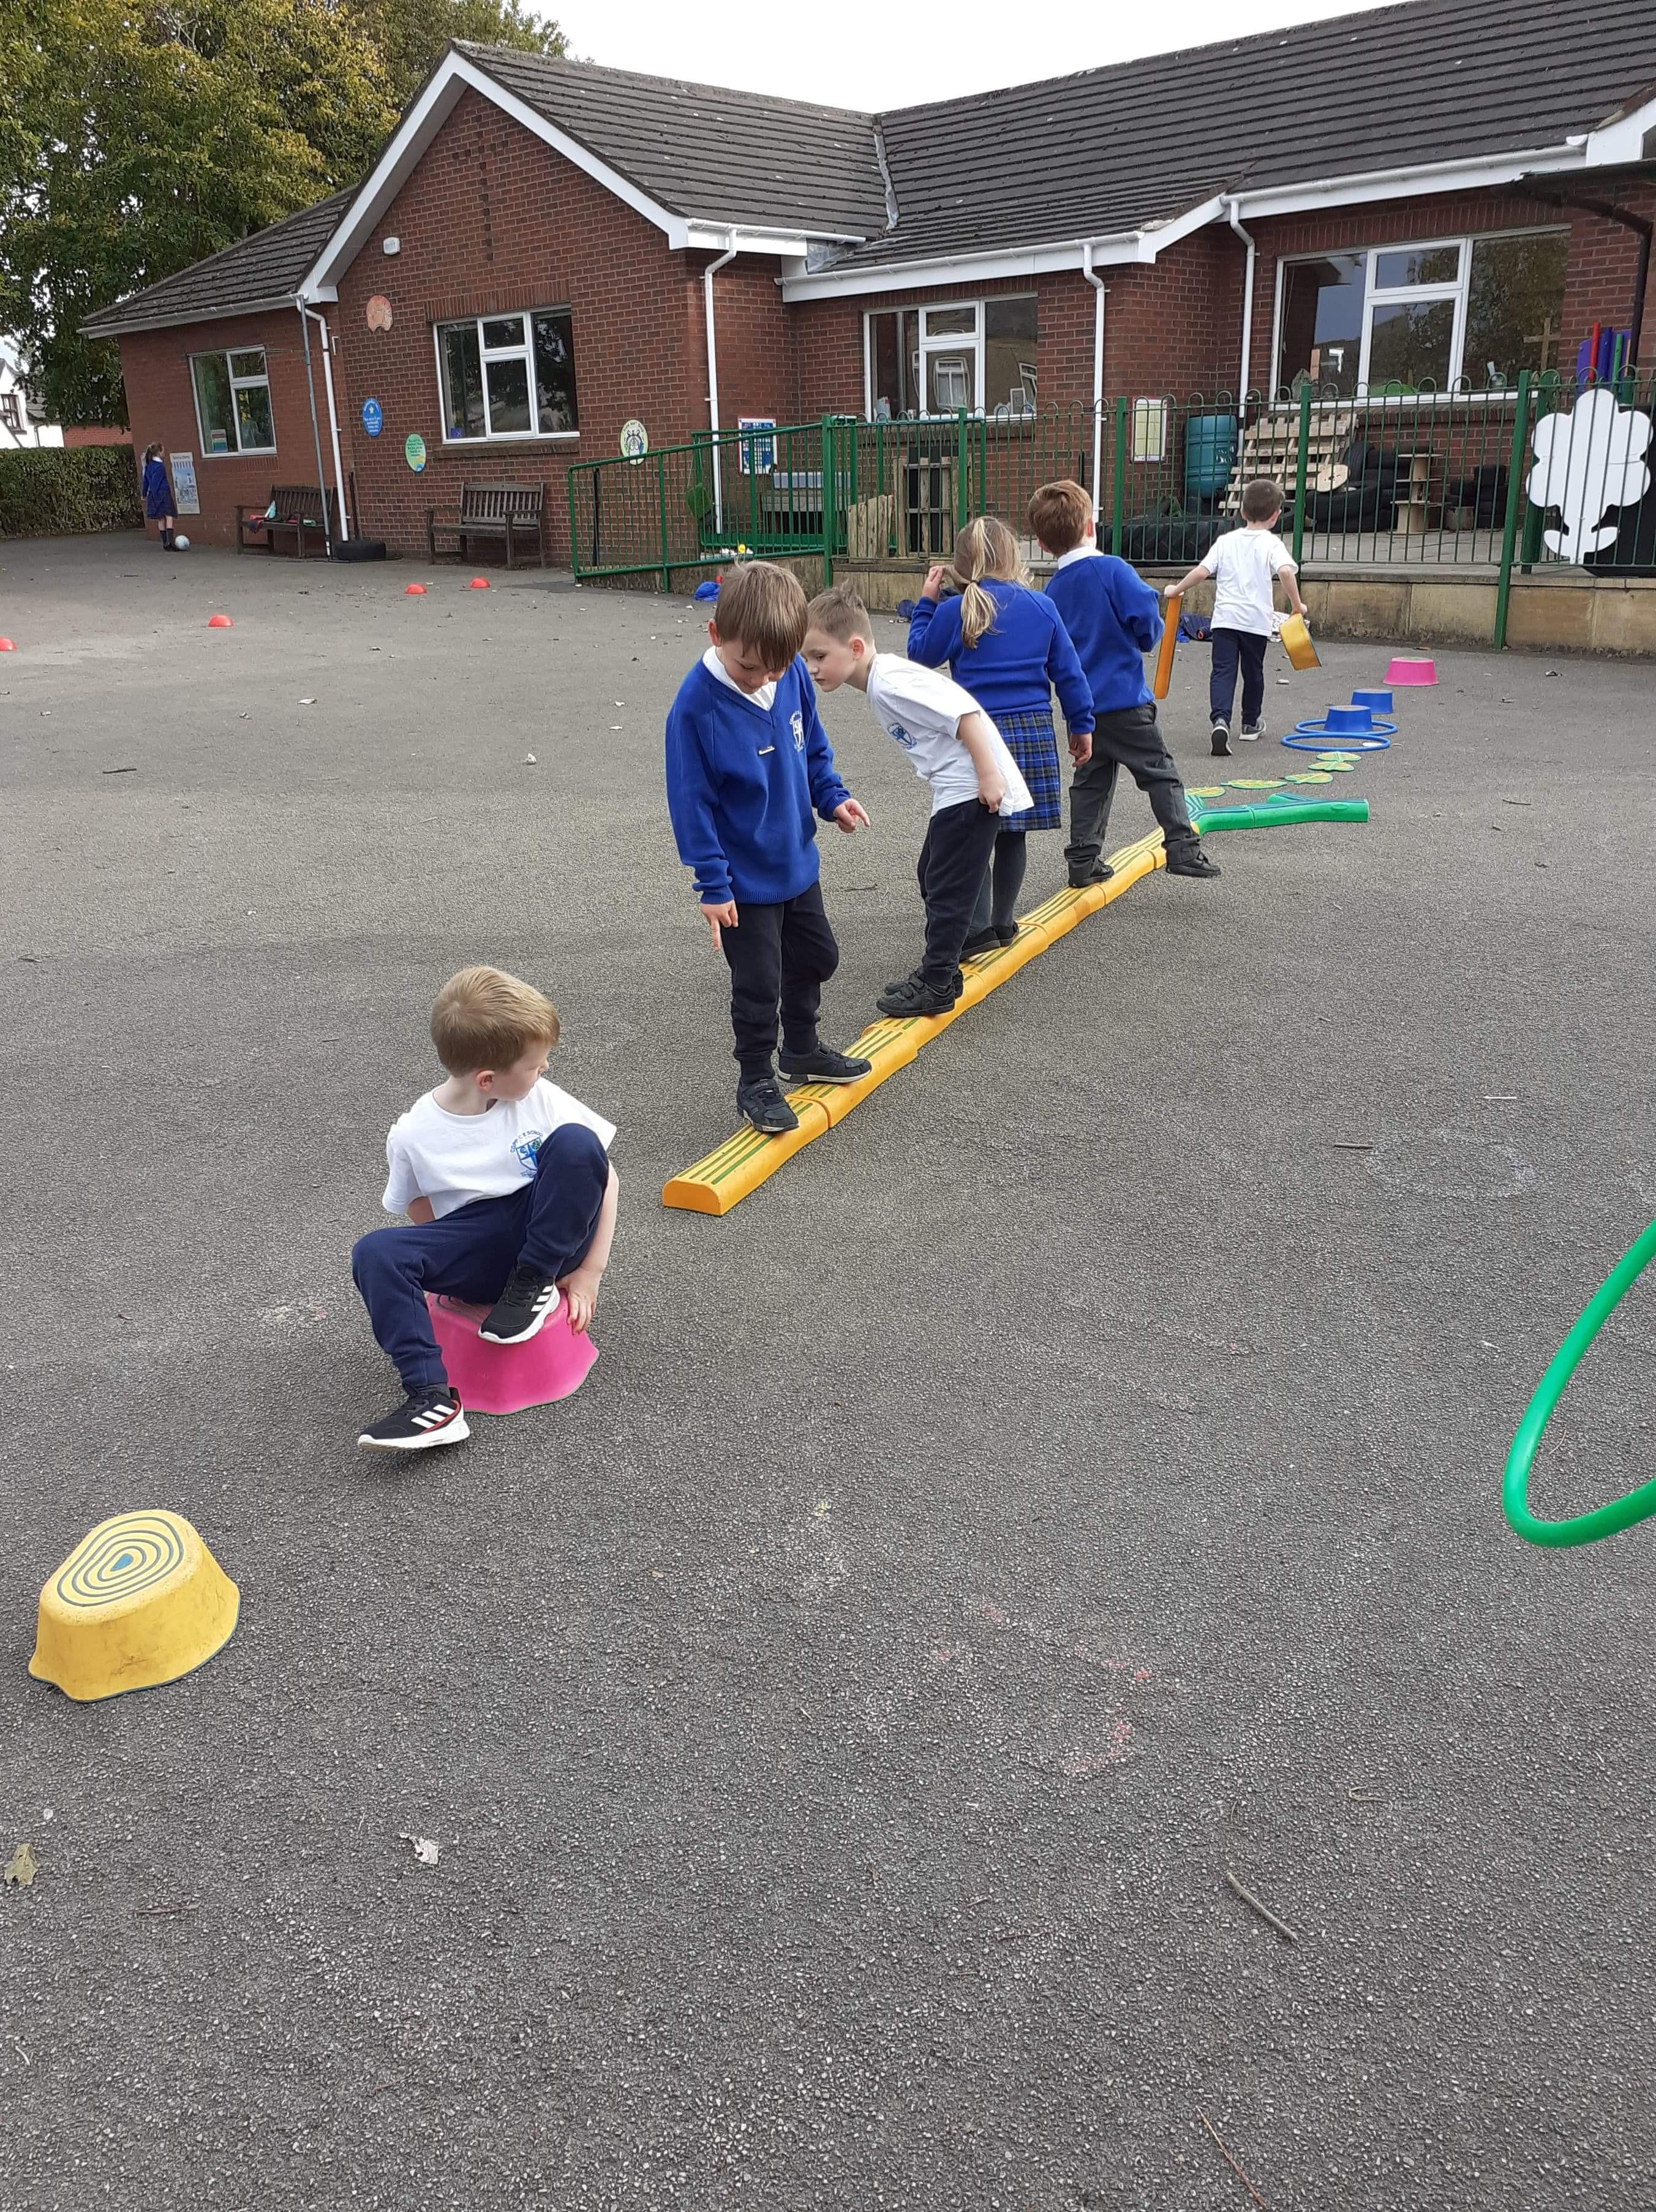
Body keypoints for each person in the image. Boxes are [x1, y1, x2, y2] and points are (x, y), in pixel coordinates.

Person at [351, 966, 619, 1453]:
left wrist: (589, 1273)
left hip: (551, 1238)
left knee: (578, 1144)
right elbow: (417, 1207)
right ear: (489, 1079)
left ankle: (532, 1283)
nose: (544, 1070)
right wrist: (455, 1268)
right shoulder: (412, 1134)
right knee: (375, 1252)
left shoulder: (539, 1099)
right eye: (535, 1065)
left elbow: (604, 1177)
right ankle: (430, 1398)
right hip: (476, 1244)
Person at [665, 560, 872, 1136]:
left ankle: (801, 1049)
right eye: (749, 667)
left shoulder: (790, 674)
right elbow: (690, 802)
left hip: (796, 861)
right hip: (743, 880)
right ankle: (755, 1078)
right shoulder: (696, 708)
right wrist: (712, 884)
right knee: (758, 985)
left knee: (817, 957)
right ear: (716, 635)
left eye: (777, 668)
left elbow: (812, 747)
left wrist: (832, 798)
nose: (762, 679)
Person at [803, 583, 1034, 1018]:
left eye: (819, 656)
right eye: (807, 660)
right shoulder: (881, 682)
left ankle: (937, 980)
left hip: (969, 788)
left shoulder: (891, 683)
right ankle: (951, 960)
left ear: (855, 648)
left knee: (945, 887)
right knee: (932, 874)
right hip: (955, 787)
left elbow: (964, 714)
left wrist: (989, 776)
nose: (812, 669)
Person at [905, 516, 1094, 952]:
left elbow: (919, 656)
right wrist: (1081, 724)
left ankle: (976, 929)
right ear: (1013, 556)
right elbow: (1070, 674)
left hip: (979, 734)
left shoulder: (958, 609)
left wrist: (927, 603)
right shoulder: (1042, 606)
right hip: (1032, 731)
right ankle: (1004, 921)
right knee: (1013, 833)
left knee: (975, 834)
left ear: (960, 563)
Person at [1027, 479, 1219, 887]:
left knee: (1091, 782)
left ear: (1042, 545)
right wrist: (1146, 637)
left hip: (1083, 710)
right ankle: (1182, 847)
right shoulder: (1112, 569)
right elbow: (1146, 615)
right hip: (1126, 700)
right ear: (1091, 526)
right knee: (1159, 772)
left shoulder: (1052, 590)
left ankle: (1083, 860)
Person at [1165, 478, 1310, 755]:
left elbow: (1202, 572)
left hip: (1224, 621)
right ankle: (1250, 723)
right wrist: (1297, 605)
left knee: (1223, 671)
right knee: (1253, 672)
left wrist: (1177, 588)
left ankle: (1220, 720)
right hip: (1256, 623)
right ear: (1276, 515)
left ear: (1242, 512)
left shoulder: (1226, 541)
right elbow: (1286, 572)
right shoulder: (1272, 543)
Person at [141, 444, 177, 551]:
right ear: (159, 452)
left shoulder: (148, 466)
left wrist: (144, 494)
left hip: (153, 494)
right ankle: (171, 542)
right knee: (169, 516)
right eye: (163, 451)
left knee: (160, 519)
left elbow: (146, 481)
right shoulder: (160, 466)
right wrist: (156, 493)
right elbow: (156, 481)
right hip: (163, 493)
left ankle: (165, 543)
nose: (164, 453)